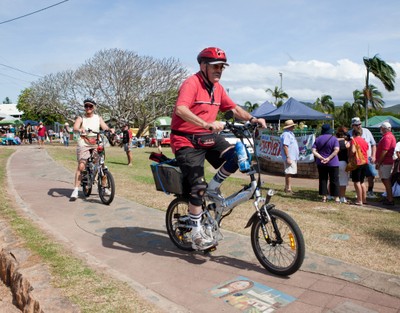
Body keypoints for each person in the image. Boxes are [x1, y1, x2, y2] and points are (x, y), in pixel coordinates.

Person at [170, 47, 266, 250]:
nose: (219, 70)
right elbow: (181, 109)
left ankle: (213, 188)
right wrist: (205, 123)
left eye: (222, 67)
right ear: (203, 66)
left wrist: (253, 119)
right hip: (185, 140)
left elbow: (233, 108)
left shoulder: (218, 88)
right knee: (197, 187)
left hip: (208, 137)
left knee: (237, 156)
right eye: (215, 66)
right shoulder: (191, 83)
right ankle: (196, 234)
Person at [70, 98, 111, 200]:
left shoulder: (98, 118)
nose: (88, 108)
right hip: (84, 142)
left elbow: (105, 127)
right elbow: (75, 128)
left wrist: (110, 130)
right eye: (86, 106)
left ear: (94, 107)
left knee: (101, 164)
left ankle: (104, 187)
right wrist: (80, 129)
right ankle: (75, 189)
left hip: (96, 142)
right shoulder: (81, 118)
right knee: (81, 166)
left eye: (90, 106)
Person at [349, 117, 377, 198]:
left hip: (367, 158)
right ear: (353, 126)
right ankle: (360, 194)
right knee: (358, 178)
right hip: (356, 159)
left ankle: (370, 191)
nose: (359, 126)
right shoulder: (350, 133)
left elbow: (373, 144)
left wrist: (373, 155)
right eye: (356, 124)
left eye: (360, 124)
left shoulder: (367, 131)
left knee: (370, 175)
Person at [312, 124, 340, 202]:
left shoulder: (318, 139)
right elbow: (336, 150)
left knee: (323, 179)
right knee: (334, 180)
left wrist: (321, 157)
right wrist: (329, 158)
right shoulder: (334, 139)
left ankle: (324, 197)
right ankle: (336, 198)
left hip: (321, 162)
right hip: (333, 162)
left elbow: (313, 151)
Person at [375, 122, 396, 205]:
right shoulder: (388, 136)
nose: (380, 129)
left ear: (384, 128)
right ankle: (388, 197)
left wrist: (379, 162)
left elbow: (385, 150)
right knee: (385, 179)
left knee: (386, 180)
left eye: (381, 128)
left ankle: (390, 199)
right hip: (386, 161)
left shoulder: (387, 137)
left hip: (385, 162)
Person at [349, 128, 369, 206]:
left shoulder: (354, 140)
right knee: (362, 181)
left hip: (357, 162)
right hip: (365, 162)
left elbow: (353, 151)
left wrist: (350, 154)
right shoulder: (364, 141)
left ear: (353, 133)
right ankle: (364, 199)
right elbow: (366, 149)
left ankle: (359, 200)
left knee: (356, 182)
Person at [280, 119, 299, 194]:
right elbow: (285, 146)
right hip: (290, 157)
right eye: (292, 126)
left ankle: (287, 187)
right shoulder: (286, 134)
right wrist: (288, 156)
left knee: (290, 172)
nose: (293, 127)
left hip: (292, 156)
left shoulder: (290, 134)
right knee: (289, 172)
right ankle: (288, 188)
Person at [336, 126, 351, 203]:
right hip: (343, 162)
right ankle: (342, 197)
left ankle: (332, 195)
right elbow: (349, 154)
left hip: (334, 162)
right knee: (343, 181)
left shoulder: (334, 141)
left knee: (334, 179)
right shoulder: (347, 143)